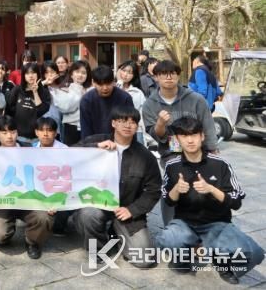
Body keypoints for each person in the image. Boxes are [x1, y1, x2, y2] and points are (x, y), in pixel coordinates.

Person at [157, 117, 264, 283]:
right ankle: (183, 258)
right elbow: (168, 200)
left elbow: (236, 202)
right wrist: (176, 189)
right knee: (167, 239)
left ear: (202, 136)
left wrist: (212, 189)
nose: (190, 140)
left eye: (194, 134)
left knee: (254, 253)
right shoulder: (172, 165)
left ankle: (222, 262)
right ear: (177, 139)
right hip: (185, 224)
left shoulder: (220, 164)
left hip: (217, 225)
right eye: (184, 136)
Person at [75, 105, 160, 269]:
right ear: (113, 123)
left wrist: (133, 210)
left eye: (133, 122)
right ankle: (98, 249)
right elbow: (69, 154)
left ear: (137, 126)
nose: (128, 125)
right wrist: (95, 148)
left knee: (144, 259)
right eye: (122, 121)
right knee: (88, 214)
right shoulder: (97, 141)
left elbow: (154, 190)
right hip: (98, 204)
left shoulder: (145, 156)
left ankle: (116, 232)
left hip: (126, 210)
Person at [143, 59, 218, 225]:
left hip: (199, 151)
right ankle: (171, 225)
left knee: (203, 185)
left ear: (178, 76)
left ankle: (204, 223)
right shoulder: (149, 104)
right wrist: (160, 124)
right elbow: (156, 135)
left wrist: (213, 150)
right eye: (163, 74)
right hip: (171, 153)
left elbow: (208, 125)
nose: (169, 77)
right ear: (156, 77)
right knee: (173, 184)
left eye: (173, 73)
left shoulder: (196, 99)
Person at [0, 116, 52, 259]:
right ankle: (5, 236)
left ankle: (32, 242)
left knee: (44, 217)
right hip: (3, 203)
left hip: (29, 200)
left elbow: (46, 174)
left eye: (13, 132)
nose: (9, 136)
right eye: (4, 133)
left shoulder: (31, 150)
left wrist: (49, 200)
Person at [79, 65, 134, 139]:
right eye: (100, 84)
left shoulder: (125, 98)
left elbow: (130, 125)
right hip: (94, 142)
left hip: (120, 141)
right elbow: (86, 130)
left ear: (114, 82)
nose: (105, 88)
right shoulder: (87, 100)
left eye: (108, 83)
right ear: (93, 83)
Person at [5, 62, 51, 143]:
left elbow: (41, 111)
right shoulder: (17, 90)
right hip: (19, 137)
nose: (30, 76)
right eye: (27, 73)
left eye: (33, 72)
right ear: (24, 76)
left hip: (38, 138)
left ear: (38, 74)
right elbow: (9, 111)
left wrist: (35, 92)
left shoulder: (44, 92)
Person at [53, 61, 89, 146]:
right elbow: (65, 107)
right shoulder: (65, 89)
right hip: (71, 127)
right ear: (72, 74)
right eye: (77, 72)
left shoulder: (89, 90)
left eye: (83, 73)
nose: (80, 75)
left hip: (87, 126)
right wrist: (80, 95)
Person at [116, 60, 146, 143]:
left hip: (135, 130)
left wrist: (142, 132)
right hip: (116, 129)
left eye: (129, 72)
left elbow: (142, 114)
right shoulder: (110, 89)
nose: (125, 74)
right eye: (123, 70)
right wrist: (119, 83)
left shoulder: (137, 92)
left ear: (134, 75)